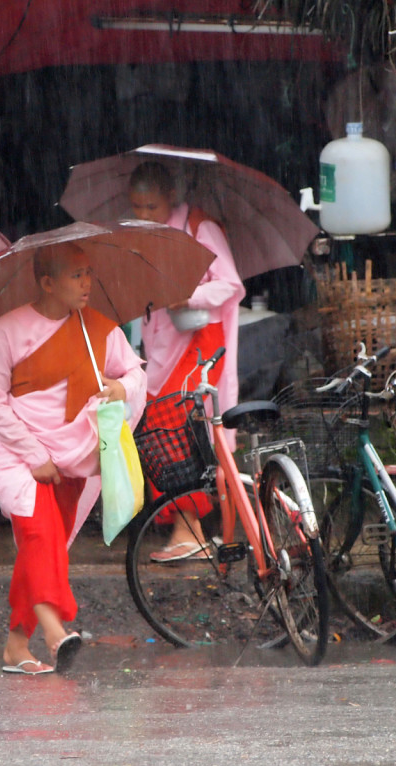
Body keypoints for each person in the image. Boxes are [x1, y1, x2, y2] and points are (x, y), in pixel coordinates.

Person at [0, 243, 145, 675]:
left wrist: (120, 390)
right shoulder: (7, 329)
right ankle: (55, 635)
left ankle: (16, 647)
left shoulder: (100, 330)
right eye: (76, 276)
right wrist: (34, 454)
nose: (87, 283)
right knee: (40, 535)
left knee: (46, 548)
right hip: (17, 452)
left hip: (72, 458)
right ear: (46, 282)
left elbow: (136, 372)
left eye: (89, 273)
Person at [128, 160, 245, 562]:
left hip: (199, 338)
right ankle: (183, 523)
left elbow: (230, 284)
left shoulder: (199, 227)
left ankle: (190, 529)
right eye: (137, 208)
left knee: (173, 423)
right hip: (160, 345)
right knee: (157, 426)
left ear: (170, 200)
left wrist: (189, 297)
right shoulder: (140, 239)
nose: (143, 216)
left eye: (151, 207)